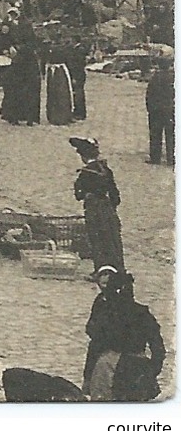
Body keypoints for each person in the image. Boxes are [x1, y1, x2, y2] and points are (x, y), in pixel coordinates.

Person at [83, 268, 166, 402]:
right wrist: (151, 370)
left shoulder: (107, 313)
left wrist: (87, 376)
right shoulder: (144, 313)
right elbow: (159, 350)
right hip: (138, 369)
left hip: (109, 368)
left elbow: (94, 341)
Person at [71, 137, 124, 272]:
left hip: (93, 210)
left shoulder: (85, 173)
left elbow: (78, 195)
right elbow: (115, 196)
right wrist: (111, 208)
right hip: (108, 210)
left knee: (97, 241)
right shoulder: (106, 170)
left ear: (83, 157)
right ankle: (117, 268)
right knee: (112, 241)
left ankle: (100, 271)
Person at [0, 21, 23, 124]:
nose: (5, 30)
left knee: (10, 90)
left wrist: (10, 53)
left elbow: (14, 49)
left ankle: (6, 111)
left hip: (9, 63)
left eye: (7, 29)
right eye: (4, 28)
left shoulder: (11, 38)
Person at [147, 63, 174, 166]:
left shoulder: (155, 78)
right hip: (170, 110)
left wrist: (149, 108)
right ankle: (172, 158)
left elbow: (149, 94)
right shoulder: (173, 77)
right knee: (171, 134)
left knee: (155, 134)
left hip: (156, 110)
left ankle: (155, 158)